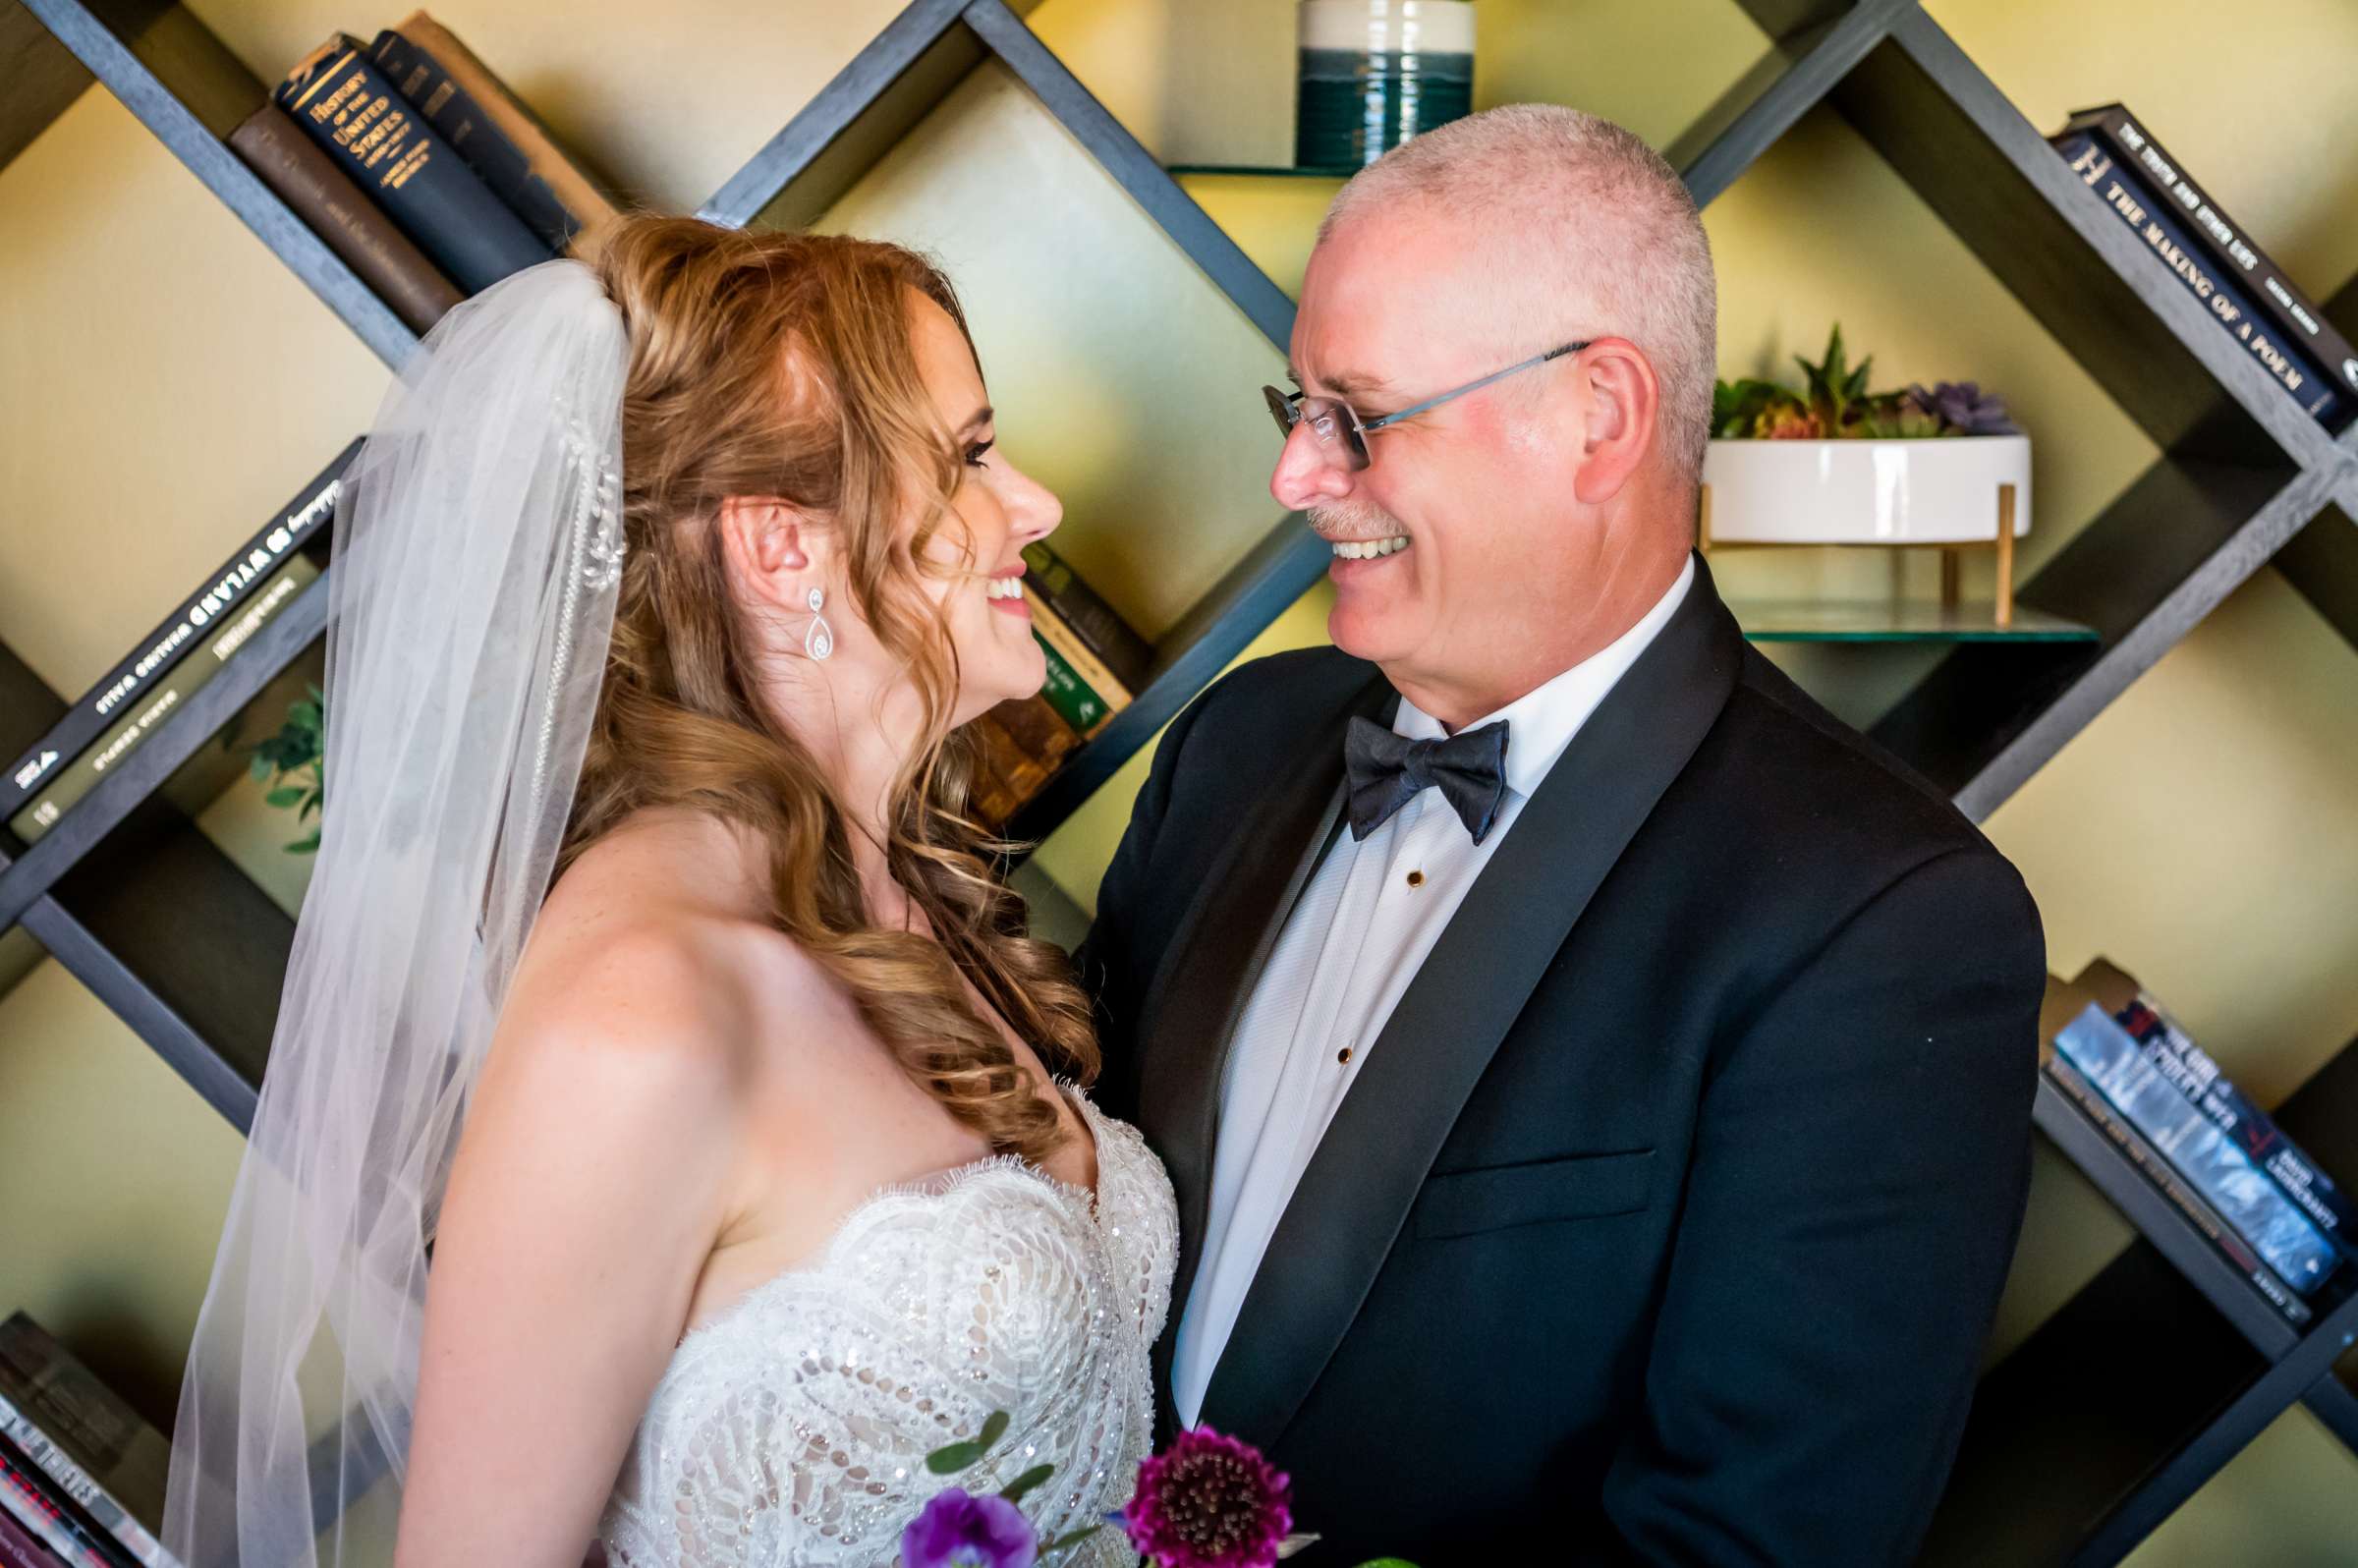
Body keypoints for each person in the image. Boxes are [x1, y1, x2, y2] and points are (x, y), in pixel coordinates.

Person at [1083, 104, 2047, 1564]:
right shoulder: (1238, 741)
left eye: (1362, 412)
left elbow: (1749, 1543)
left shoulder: (1882, 924)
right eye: (1300, 410)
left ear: (1599, 416)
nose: (1298, 478)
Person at [161, 218, 1175, 1568]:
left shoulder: (909, 889)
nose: (1034, 507)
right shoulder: (638, 1019)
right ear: (777, 548)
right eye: (972, 456)